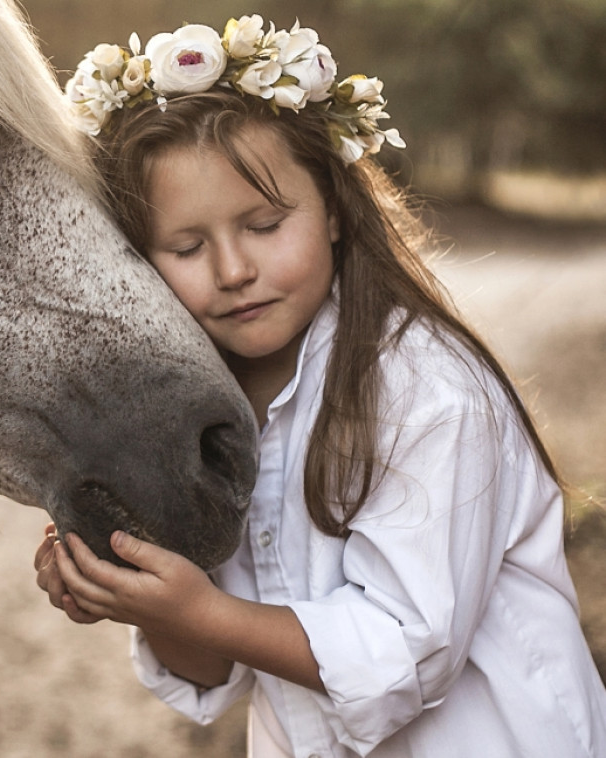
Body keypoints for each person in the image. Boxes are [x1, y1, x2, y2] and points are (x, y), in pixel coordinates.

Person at [34, 15, 606, 758]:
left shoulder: (429, 392)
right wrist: (143, 597)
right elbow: (216, 667)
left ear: (334, 210)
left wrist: (203, 612)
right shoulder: (202, 418)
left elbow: (407, 648)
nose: (233, 269)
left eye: (265, 225)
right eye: (187, 245)